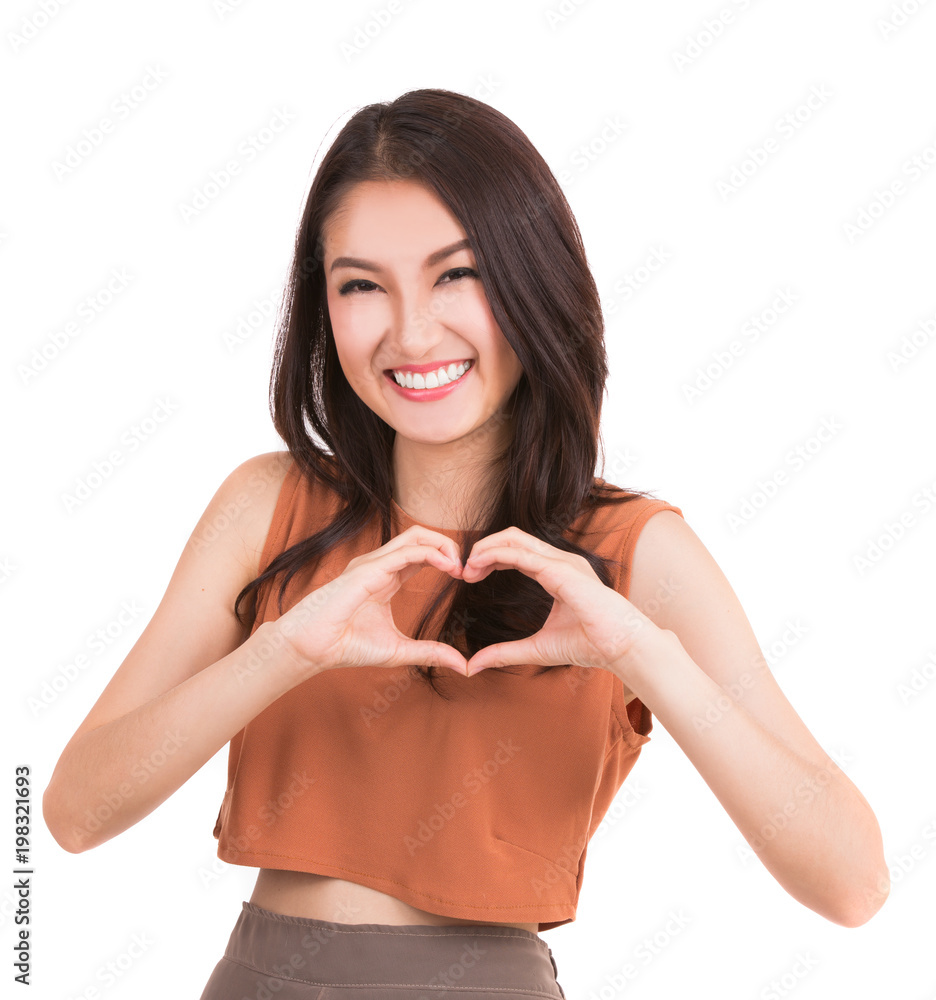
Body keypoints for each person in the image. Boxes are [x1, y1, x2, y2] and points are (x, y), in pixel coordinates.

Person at [42, 88, 890, 999]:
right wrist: (284, 650)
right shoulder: (267, 505)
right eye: (361, 285)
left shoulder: (634, 552)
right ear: (322, 306)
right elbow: (74, 813)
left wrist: (641, 654)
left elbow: (852, 884)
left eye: (458, 274)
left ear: (535, 280)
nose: (411, 332)